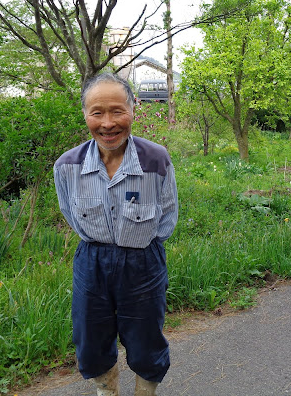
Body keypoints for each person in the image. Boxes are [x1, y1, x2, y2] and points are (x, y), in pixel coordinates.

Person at [54, 72, 178, 396]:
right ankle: (106, 392)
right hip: (91, 262)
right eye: (97, 112)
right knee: (90, 340)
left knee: (146, 340)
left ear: (133, 110)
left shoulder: (156, 160)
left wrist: (138, 247)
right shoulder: (67, 166)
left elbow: (166, 219)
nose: (108, 123)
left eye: (117, 111)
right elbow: (70, 213)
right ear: (85, 115)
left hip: (143, 262)